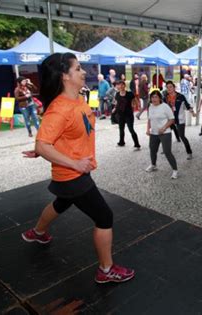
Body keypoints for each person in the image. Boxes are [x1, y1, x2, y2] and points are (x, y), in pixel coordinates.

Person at [21, 53, 134, 283]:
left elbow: (55, 138)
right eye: (78, 68)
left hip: (73, 172)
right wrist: (68, 160)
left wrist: (52, 147)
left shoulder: (78, 100)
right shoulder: (60, 108)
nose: (84, 72)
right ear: (64, 76)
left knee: (60, 203)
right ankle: (105, 270)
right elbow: (42, 144)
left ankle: (38, 233)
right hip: (73, 175)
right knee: (104, 216)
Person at [145, 90, 178, 179]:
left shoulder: (165, 107)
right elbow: (149, 119)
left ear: (160, 98)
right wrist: (148, 129)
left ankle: (175, 170)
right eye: (152, 97)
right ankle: (153, 165)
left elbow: (172, 119)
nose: (154, 99)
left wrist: (164, 128)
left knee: (167, 152)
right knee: (152, 149)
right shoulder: (150, 107)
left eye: (156, 97)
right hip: (154, 133)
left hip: (165, 133)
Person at [164, 81, 195, 160]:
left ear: (174, 87)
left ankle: (189, 152)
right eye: (167, 87)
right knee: (164, 134)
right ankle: (166, 150)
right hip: (169, 119)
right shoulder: (165, 97)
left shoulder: (181, 96)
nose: (169, 89)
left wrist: (192, 112)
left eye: (170, 87)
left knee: (182, 136)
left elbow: (187, 106)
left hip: (180, 119)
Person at [112, 80, 141, 149]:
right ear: (117, 86)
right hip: (120, 115)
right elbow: (117, 103)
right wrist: (114, 108)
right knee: (121, 129)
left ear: (124, 85)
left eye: (122, 85)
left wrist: (138, 106)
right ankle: (121, 142)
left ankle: (137, 144)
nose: (121, 86)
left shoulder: (129, 93)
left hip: (129, 114)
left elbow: (135, 100)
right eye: (119, 85)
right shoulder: (117, 94)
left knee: (131, 129)